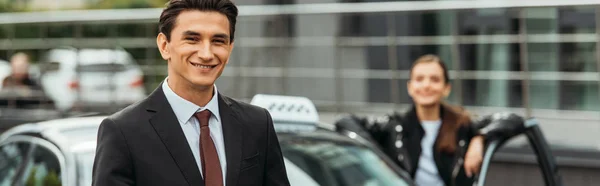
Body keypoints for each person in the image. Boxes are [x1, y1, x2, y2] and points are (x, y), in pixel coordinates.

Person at [92, 0, 291, 186]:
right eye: (192, 39)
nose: (206, 53)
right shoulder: (123, 131)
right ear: (164, 46)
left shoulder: (257, 124)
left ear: (230, 49)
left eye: (218, 41)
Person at [335, 54, 485, 186]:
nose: (426, 85)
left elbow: (506, 120)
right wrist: (377, 156)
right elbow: (345, 121)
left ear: (446, 88)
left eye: (434, 79)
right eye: (419, 79)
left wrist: (479, 138)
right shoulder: (395, 126)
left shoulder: (462, 125)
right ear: (410, 87)